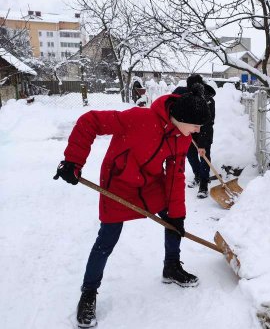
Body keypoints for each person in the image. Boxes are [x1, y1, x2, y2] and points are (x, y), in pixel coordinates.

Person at [53, 83, 211, 328]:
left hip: (150, 185)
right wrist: (73, 161)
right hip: (119, 184)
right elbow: (90, 121)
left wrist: (177, 216)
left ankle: (171, 267)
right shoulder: (138, 118)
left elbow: (175, 176)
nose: (198, 130)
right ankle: (89, 293)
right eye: (196, 125)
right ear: (181, 118)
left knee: (173, 220)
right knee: (107, 240)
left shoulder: (181, 138)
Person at [173, 74, 216, 199]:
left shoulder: (208, 100)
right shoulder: (187, 96)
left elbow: (208, 123)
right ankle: (197, 175)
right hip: (189, 133)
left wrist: (202, 144)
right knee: (191, 155)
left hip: (204, 132)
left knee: (204, 156)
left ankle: (204, 183)